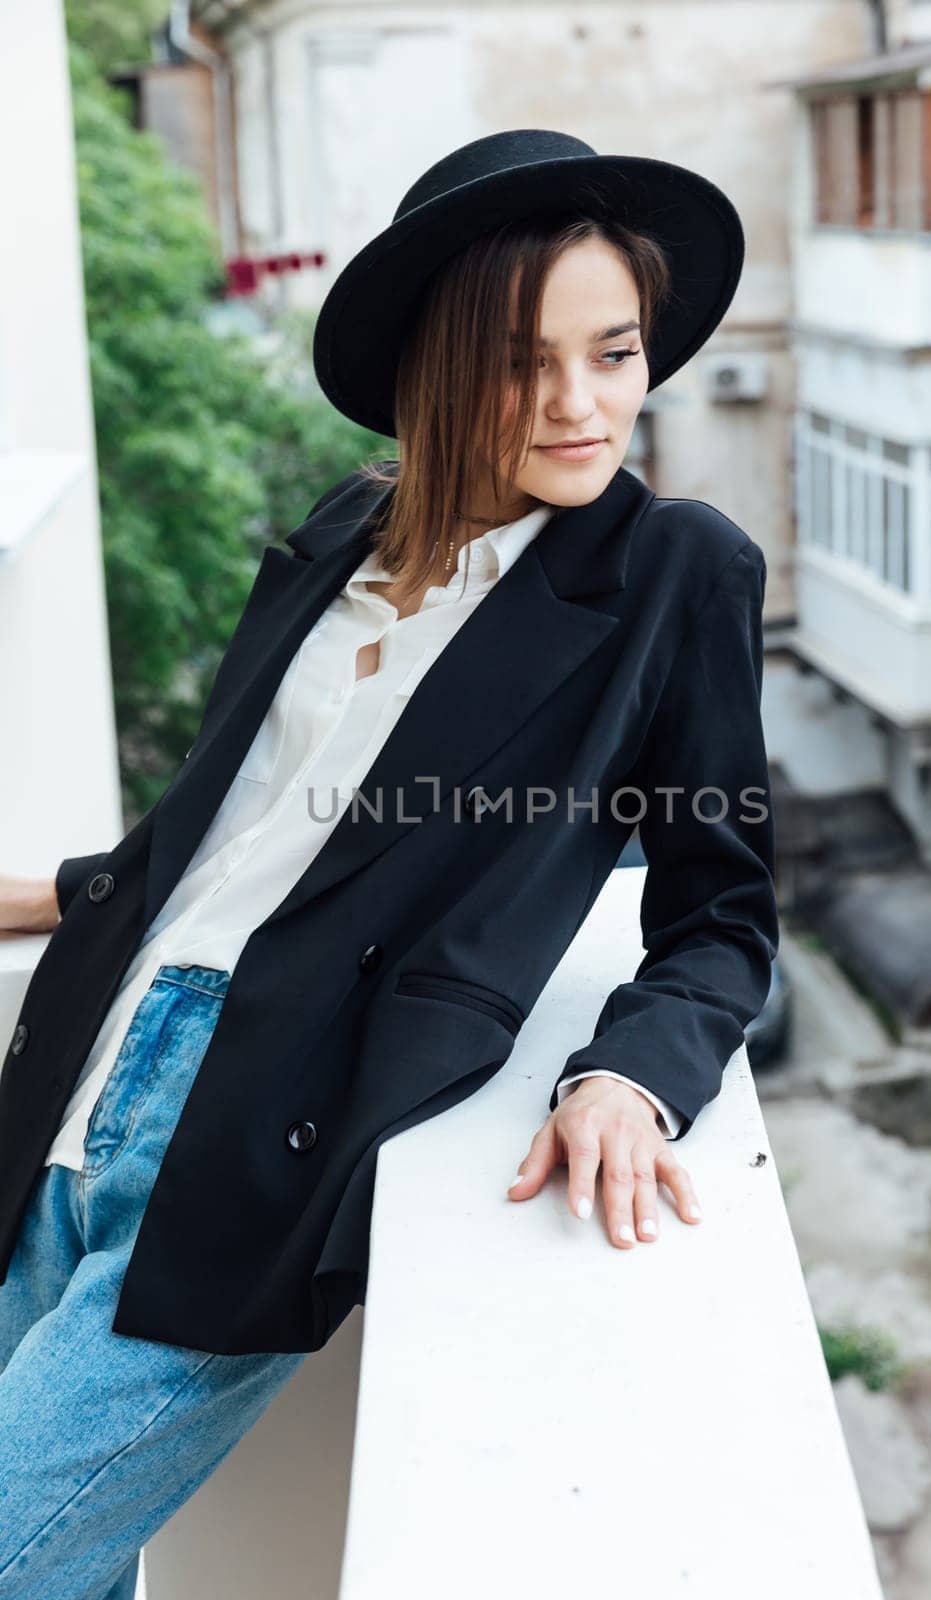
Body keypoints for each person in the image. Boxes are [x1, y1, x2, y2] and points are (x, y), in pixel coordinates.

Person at [0, 129, 778, 1596]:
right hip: (84, 1064)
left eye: (613, 352)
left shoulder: (674, 572)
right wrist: (63, 893)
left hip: (256, 1137)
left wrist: (630, 1075)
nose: (579, 403)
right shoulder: (341, 533)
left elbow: (722, 913)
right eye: (518, 361)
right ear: (434, 366)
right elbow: (244, 824)